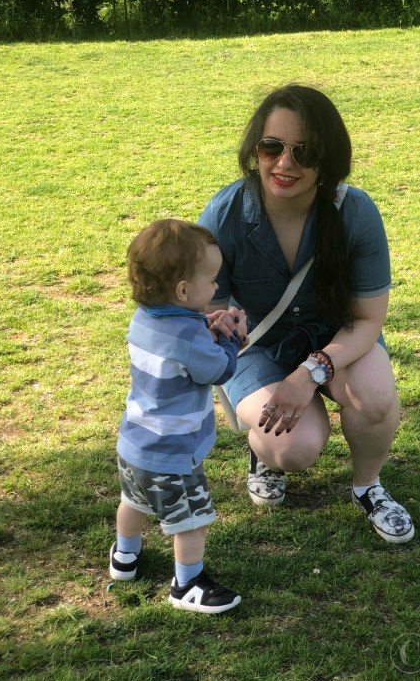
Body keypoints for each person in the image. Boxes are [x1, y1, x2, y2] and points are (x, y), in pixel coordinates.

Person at [198, 85, 414, 544]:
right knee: (292, 447)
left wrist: (308, 375)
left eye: (305, 151)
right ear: (255, 149)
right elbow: (207, 306)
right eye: (271, 147)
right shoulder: (225, 213)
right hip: (259, 346)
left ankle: (368, 486)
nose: (284, 164)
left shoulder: (354, 212)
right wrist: (219, 322)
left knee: (374, 396)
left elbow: (367, 320)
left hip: (337, 337)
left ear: (328, 157)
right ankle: (264, 456)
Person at [109, 218, 248, 613]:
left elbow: (183, 335)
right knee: (191, 519)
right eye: (211, 280)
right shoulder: (188, 337)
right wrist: (232, 338)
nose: (217, 287)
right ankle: (187, 584)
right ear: (184, 290)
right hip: (172, 452)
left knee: (133, 499)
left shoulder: (146, 317)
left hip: (135, 443)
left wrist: (208, 325)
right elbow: (217, 370)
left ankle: (125, 557)